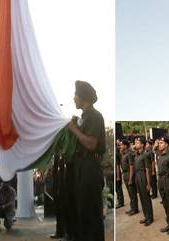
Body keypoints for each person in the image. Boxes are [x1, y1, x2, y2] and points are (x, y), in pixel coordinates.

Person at [67, 80, 106, 241]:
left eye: (76, 95)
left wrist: (74, 129)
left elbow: (91, 143)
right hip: (82, 167)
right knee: (82, 212)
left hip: (90, 168)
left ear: (83, 97)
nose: (73, 98)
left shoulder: (95, 116)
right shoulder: (83, 117)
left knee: (91, 214)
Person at [131, 136, 154, 226]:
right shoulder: (137, 155)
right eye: (135, 143)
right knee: (141, 197)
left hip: (143, 176)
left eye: (137, 143)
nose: (135, 144)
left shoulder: (145, 155)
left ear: (142, 144)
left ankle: (150, 218)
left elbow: (147, 169)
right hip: (137, 176)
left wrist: (148, 184)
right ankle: (146, 216)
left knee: (146, 198)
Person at [157, 136, 169, 234]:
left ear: (166, 144)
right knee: (165, 204)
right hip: (161, 181)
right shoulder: (160, 156)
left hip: (168, 181)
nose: (159, 144)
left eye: (161, 143)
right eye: (159, 142)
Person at [120, 139, 139, 216]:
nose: (120, 146)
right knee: (130, 193)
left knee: (132, 193)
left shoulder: (129, 154)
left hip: (129, 174)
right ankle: (132, 207)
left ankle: (135, 209)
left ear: (125, 145)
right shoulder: (124, 154)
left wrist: (131, 178)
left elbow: (131, 167)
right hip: (125, 174)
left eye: (121, 145)